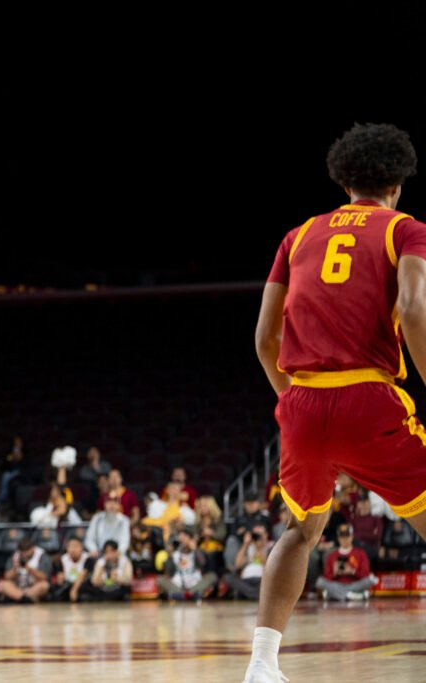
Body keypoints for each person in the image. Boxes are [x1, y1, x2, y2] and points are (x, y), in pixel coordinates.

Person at [247, 123, 426, 683]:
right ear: (397, 184)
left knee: (301, 532)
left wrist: (296, 403)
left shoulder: (297, 236)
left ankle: (261, 665)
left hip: (302, 402)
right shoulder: (406, 229)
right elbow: (414, 310)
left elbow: (265, 340)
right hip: (369, 397)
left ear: (344, 181)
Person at [315, 523, 374, 602]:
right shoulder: (331, 556)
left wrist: (352, 571)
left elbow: (366, 574)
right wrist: (335, 573)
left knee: (371, 579)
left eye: (347, 536)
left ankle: (334, 595)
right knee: (320, 582)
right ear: (338, 538)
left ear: (352, 537)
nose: (344, 539)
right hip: (337, 584)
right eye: (342, 537)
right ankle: (352, 595)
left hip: (355, 584)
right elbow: (326, 577)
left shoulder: (360, 553)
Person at [157, 528, 216, 600]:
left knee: (213, 576)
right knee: (160, 579)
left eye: (185, 538)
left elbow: (203, 563)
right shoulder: (175, 554)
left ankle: (187, 594)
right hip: (179, 586)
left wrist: (195, 549)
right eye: (181, 540)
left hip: (195, 584)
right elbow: (169, 572)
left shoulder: (197, 552)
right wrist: (170, 554)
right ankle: (187, 595)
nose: (183, 542)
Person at [0, 536, 52, 604]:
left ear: (33, 548)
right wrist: (15, 569)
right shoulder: (15, 556)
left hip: (33, 587)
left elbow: (44, 577)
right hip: (17, 587)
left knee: (44, 585)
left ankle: (22, 598)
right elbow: (7, 577)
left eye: (26, 551)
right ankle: (24, 598)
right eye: (22, 552)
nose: (24, 554)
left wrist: (29, 569)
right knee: (3, 585)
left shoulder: (42, 556)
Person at [225, 522, 273, 600]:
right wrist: (245, 544)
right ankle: (256, 594)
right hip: (246, 580)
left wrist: (260, 548)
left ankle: (250, 594)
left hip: (262, 580)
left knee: (270, 584)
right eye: (255, 535)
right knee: (228, 577)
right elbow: (238, 564)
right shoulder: (248, 548)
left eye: (260, 534)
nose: (257, 537)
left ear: (266, 534)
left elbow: (270, 568)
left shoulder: (271, 546)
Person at [85, 492, 131, 562]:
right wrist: (93, 550)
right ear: (104, 504)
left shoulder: (124, 520)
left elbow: (124, 541)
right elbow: (89, 539)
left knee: (125, 561)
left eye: (115, 502)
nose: (112, 505)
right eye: (109, 502)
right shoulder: (97, 518)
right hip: (99, 554)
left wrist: (117, 553)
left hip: (117, 555)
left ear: (119, 505)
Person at [53, 537, 88, 602]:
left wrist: (74, 590)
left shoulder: (87, 558)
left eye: (76, 546)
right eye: (71, 546)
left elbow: (83, 575)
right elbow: (60, 577)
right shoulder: (62, 559)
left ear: (82, 547)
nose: (73, 549)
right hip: (68, 584)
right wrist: (60, 578)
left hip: (82, 585)